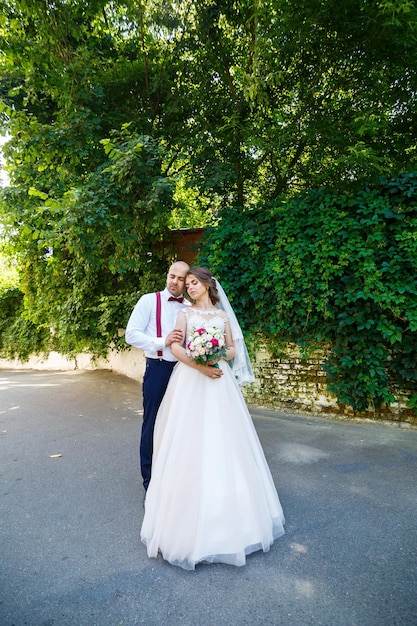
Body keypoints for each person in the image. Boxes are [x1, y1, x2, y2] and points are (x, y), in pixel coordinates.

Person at [141, 267, 285, 570]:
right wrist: (200, 363)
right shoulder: (185, 314)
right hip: (190, 380)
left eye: (194, 283)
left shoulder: (221, 317)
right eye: (187, 284)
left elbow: (233, 348)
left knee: (225, 441)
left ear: (207, 285)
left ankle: (233, 521)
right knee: (189, 441)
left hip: (220, 383)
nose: (189, 288)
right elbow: (177, 346)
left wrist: (217, 352)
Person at [125, 260, 190, 492]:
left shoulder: (190, 306)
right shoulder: (149, 300)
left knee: (181, 425)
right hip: (159, 368)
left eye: (181, 279)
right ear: (167, 275)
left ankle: (176, 478)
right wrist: (163, 341)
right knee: (152, 423)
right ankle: (150, 483)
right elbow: (131, 334)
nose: (176, 282)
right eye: (173, 276)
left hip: (185, 372)